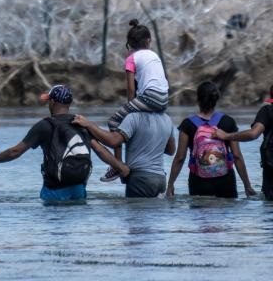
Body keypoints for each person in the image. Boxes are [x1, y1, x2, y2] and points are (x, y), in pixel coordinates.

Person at [0, 84, 94, 203]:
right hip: (79, 189)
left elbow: (15, 152)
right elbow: (99, 149)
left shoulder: (44, 125)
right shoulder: (81, 123)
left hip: (54, 191)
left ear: (52, 102)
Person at [99, 19, 170, 182]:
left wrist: (130, 110)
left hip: (150, 97)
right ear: (149, 41)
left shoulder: (131, 58)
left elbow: (131, 89)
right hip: (164, 99)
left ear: (129, 44)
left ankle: (117, 166)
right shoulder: (154, 56)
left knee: (114, 121)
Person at [166, 81, 257, 199]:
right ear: (216, 99)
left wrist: (170, 184)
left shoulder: (187, 124)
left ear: (198, 99)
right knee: (227, 209)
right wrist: (247, 185)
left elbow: (180, 158)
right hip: (225, 180)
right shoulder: (228, 121)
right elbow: (236, 155)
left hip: (199, 181)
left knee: (201, 208)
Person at [74, 103, 175, 198]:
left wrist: (88, 125)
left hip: (140, 179)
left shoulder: (134, 117)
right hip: (161, 179)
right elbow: (171, 150)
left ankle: (117, 168)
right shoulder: (166, 118)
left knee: (135, 211)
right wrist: (150, 142)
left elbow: (113, 141)